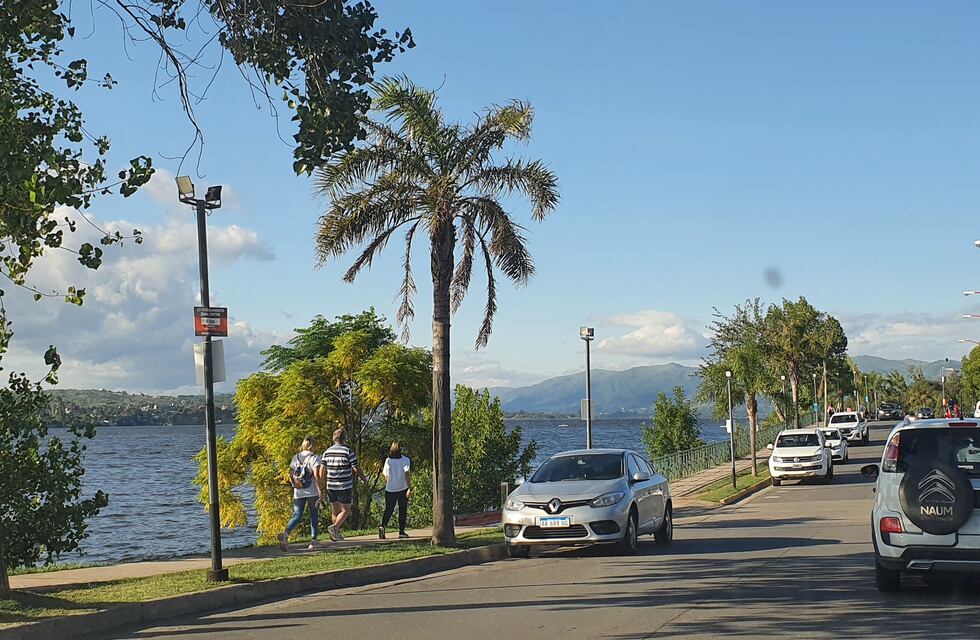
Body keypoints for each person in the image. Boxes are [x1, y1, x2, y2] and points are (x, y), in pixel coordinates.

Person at [319, 428, 366, 541]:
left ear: (334, 439)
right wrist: (363, 478)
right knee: (346, 510)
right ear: (344, 439)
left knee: (335, 511)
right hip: (344, 485)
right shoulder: (348, 451)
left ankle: (335, 534)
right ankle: (335, 527)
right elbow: (356, 467)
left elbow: (322, 470)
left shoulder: (327, 452)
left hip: (331, 485)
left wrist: (321, 484)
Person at [278, 436, 323, 551]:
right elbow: (317, 476)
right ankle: (313, 541)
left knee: (297, 515)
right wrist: (320, 491)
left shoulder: (296, 457)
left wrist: (296, 485)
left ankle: (286, 534)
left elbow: (291, 473)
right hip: (312, 490)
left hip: (298, 490)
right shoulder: (315, 458)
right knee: (314, 515)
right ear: (313, 445)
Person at [379, 441, 412, 539]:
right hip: (402, 488)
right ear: (400, 449)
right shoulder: (405, 460)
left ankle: (383, 525)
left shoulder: (388, 460)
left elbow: (385, 475)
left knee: (388, 509)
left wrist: (391, 481)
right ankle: (401, 531)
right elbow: (406, 473)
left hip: (390, 489)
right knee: (402, 510)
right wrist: (409, 487)